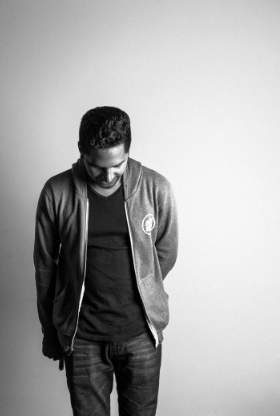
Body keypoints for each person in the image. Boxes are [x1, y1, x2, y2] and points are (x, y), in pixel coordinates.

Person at [34, 106, 178, 416]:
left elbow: (165, 253)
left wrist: (144, 287)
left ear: (128, 151)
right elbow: (45, 266)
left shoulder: (156, 188)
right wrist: (50, 331)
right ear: (81, 151)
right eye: (97, 166)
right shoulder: (57, 192)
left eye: (118, 165)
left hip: (141, 335)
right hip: (82, 338)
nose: (108, 176)